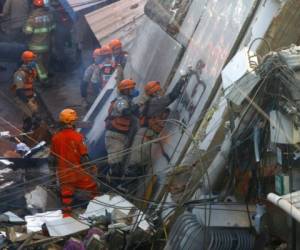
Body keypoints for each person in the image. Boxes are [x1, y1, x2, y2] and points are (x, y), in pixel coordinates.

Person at [125, 72, 190, 182]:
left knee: (139, 164)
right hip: (145, 135)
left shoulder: (149, 102)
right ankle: (124, 189)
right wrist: (181, 81)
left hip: (145, 135)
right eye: (158, 90)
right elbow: (171, 97)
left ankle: (127, 188)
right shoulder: (155, 102)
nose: (161, 92)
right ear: (154, 92)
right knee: (136, 164)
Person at [51, 109, 98, 217]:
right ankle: (98, 212)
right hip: (78, 173)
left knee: (66, 197)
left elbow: (52, 159)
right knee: (93, 189)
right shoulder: (77, 136)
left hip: (64, 174)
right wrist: (91, 167)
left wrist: (54, 176)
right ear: (71, 122)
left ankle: (66, 218)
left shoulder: (55, 138)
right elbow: (84, 156)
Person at [104, 79, 139, 187]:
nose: (134, 90)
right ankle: (110, 187)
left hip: (124, 137)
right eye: (131, 89)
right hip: (115, 137)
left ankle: (117, 186)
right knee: (115, 163)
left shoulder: (129, 101)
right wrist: (136, 107)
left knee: (122, 164)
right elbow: (125, 111)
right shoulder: (121, 101)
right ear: (126, 91)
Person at [23, 0, 55, 83]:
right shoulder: (49, 15)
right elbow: (53, 28)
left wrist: (23, 28)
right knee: (45, 62)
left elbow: (27, 32)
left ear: (34, 6)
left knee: (38, 63)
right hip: (47, 45)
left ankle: (44, 80)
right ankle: (46, 74)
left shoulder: (32, 18)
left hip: (35, 46)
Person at [12, 50, 39, 120]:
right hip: (23, 99)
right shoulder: (19, 74)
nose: (34, 62)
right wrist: (29, 103)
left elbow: (32, 83)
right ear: (27, 61)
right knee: (28, 117)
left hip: (31, 97)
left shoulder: (32, 71)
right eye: (32, 60)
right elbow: (19, 91)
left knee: (34, 113)